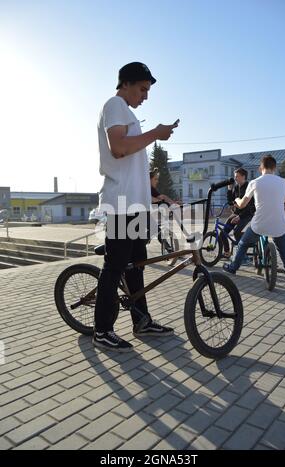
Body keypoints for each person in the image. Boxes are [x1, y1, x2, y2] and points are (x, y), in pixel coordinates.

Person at [94, 62, 179, 352]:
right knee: (115, 267)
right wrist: (155, 133)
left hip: (136, 204)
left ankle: (142, 321)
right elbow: (118, 148)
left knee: (135, 267)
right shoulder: (115, 104)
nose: (145, 96)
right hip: (121, 204)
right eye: (143, 89)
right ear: (127, 84)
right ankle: (102, 330)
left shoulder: (127, 113)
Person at [223, 155, 285, 276]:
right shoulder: (282, 181)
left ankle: (233, 267)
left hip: (259, 225)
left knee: (243, 243)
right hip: (279, 225)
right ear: (274, 168)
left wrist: (237, 199)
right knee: (284, 250)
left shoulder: (254, 182)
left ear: (260, 168)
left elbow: (242, 205)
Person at [222, 168, 255, 258]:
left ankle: (243, 254)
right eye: (234, 176)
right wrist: (229, 190)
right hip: (236, 213)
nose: (235, 178)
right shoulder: (236, 187)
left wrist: (239, 217)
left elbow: (250, 206)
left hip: (247, 214)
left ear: (243, 176)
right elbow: (231, 202)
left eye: (237, 176)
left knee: (236, 232)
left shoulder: (249, 187)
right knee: (223, 232)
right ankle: (227, 252)